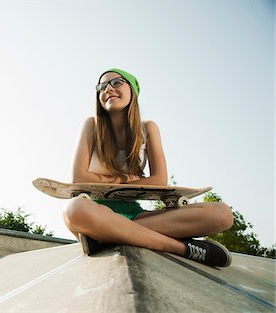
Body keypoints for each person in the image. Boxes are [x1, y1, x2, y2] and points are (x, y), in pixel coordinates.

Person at [63, 68, 234, 267]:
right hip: (95, 211)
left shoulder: (148, 129)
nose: (108, 89)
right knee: (74, 209)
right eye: (101, 87)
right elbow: (78, 178)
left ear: (133, 90)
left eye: (116, 82)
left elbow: (160, 180)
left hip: (135, 214)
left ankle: (105, 237)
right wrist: (129, 179)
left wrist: (104, 179)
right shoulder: (91, 125)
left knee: (222, 214)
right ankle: (183, 248)